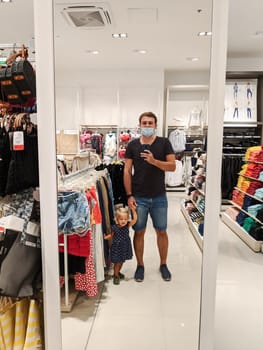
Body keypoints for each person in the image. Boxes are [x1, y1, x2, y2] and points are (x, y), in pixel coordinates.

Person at [123, 111, 176, 282]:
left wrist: (154, 162)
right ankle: (140, 265)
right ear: (139, 125)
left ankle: (163, 264)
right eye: (144, 123)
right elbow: (126, 171)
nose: (147, 126)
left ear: (155, 125)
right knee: (139, 232)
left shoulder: (164, 143)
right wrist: (129, 195)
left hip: (159, 196)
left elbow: (172, 167)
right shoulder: (132, 145)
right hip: (139, 197)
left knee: (162, 231)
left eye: (150, 123)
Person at [104, 206, 137, 285]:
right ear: (117, 219)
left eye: (125, 219)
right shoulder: (115, 228)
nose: (123, 221)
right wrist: (105, 237)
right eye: (121, 219)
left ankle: (118, 272)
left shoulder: (127, 226)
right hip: (117, 247)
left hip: (125, 246)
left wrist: (133, 210)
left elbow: (135, 220)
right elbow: (111, 235)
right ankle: (115, 275)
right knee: (117, 263)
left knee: (122, 261)